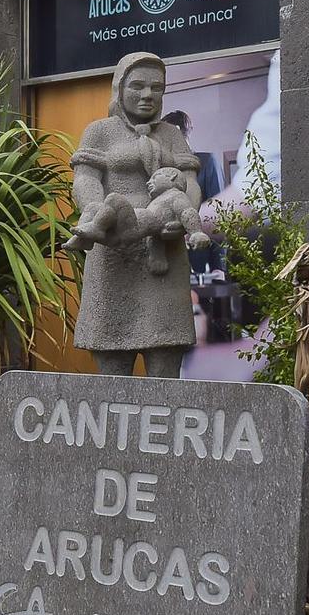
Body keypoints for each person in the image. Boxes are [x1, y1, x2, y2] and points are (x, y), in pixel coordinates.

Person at [67, 52, 203, 377]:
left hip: (165, 251)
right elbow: (85, 178)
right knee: (112, 363)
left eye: (157, 87)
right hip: (114, 250)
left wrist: (185, 214)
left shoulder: (171, 134)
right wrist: (94, 211)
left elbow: (192, 182)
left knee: (165, 357)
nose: (147, 95)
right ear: (119, 88)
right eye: (138, 86)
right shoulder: (100, 132)